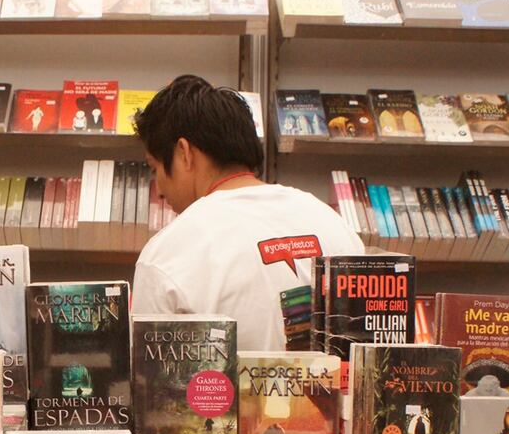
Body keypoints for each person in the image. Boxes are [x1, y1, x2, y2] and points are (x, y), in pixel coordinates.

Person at [131, 75, 364, 350]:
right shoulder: (333, 222)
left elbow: (153, 387)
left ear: (184, 153)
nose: (158, 189)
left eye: (154, 168)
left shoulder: (165, 255)